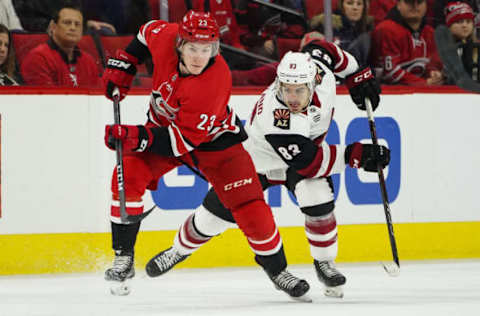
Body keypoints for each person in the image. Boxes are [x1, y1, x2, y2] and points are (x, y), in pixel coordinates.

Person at [142, 41, 390, 298]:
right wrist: (356, 155)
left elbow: (324, 49)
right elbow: (309, 161)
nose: (292, 98)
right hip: (258, 161)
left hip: (303, 152)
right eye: (286, 90)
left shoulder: (322, 74)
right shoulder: (277, 116)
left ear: (314, 82)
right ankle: (178, 250)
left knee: (318, 197)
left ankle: (324, 263)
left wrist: (358, 75)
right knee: (214, 216)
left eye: (299, 91)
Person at [102, 10, 310, 301]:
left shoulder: (215, 80)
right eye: (192, 48)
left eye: (207, 50)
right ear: (179, 44)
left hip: (215, 143)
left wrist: (136, 137)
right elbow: (146, 30)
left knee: (250, 205)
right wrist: (126, 61)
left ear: (215, 49)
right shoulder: (164, 37)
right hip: (164, 133)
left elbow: (180, 142)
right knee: (127, 175)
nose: (199, 57)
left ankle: (278, 271)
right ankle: (123, 257)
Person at [20, 4, 100, 87]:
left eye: (77, 24)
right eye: (67, 23)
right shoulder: (38, 58)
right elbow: (46, 98)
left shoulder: (89, 61)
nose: (73, 28)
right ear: (53, 27)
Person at [370, 0, 444, 85]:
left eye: (419, 2)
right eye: (409, 2)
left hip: (422, 91)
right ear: (398, 4)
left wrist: (434, 74)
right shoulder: (386, 30)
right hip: (389, 93)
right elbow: (390, 73)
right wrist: (424, 83)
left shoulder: (431, 33)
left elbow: (433, 65)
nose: (415, 7)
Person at [444, 1, 480, 82]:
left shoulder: (477, 47)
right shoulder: (442, 48)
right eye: (459, 22)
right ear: (449, 26)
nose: (464, 25)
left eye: (468, 21)